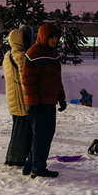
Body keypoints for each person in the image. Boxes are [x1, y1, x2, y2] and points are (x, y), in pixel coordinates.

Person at [21, 23, 67, 178]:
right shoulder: (34, 53)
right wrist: (32, 104)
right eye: (51, 37)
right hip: (39, 103)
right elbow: (28, 81)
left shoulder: (53, 55)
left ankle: (30, 164)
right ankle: (38, 168)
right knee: (42, 136)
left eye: (56, 37)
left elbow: (56, 80)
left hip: (49, 101)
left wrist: (61, 98)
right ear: (44, 37)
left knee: (45, 134)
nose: (55, 40)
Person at [3, 27, 33, 166]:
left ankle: (14, 157)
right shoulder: (21, 56)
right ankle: (15, 159)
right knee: (21, 131)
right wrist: (30, 99)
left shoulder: (8, 54)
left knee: (17, 129)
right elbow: (25, 80)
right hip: (21, 99)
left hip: (13, 97)